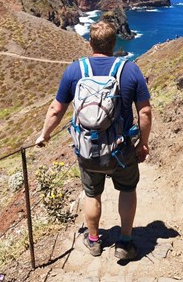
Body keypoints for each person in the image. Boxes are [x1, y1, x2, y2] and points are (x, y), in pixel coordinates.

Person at [35, 21, 152, 260]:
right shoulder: (130, 70)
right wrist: (143, 143)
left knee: (92, 194)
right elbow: (145, 112)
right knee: (127, 189)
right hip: (121, 150)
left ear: (90, 42)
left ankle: (94, 240)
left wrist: (44, 134)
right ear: (115, 43)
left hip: (88, 150)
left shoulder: (75, 70)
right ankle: (125, 243)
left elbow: (56, 109)